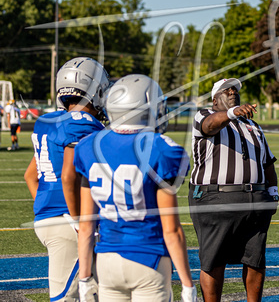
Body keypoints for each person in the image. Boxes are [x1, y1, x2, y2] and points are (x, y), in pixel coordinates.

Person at [74, 74, 196, 302]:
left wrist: (84, 278)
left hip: (107, 261)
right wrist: (188, 285)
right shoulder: (160, 150)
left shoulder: (89, 146)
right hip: (149, 259)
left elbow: (87, 224)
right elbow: (171, 230)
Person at [23, 57, 109, 302]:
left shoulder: (47, 121)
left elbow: (31, 176)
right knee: (66, 298)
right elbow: (68, 176)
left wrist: (48, 210)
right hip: (70, 224)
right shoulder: (84, 125)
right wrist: (78, 220)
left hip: (48, 219)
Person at [189, 77, 279, 302]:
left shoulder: (253, 127)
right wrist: (232, 113)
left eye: (235, 90)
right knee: (213, 260)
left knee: (255, 259)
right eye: (226, 90)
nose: (232, 91)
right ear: (214, 99)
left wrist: (273, 193)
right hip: (216, 198)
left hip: (256, 200)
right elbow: (209, 126)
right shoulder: (204, 115)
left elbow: (267, 162)